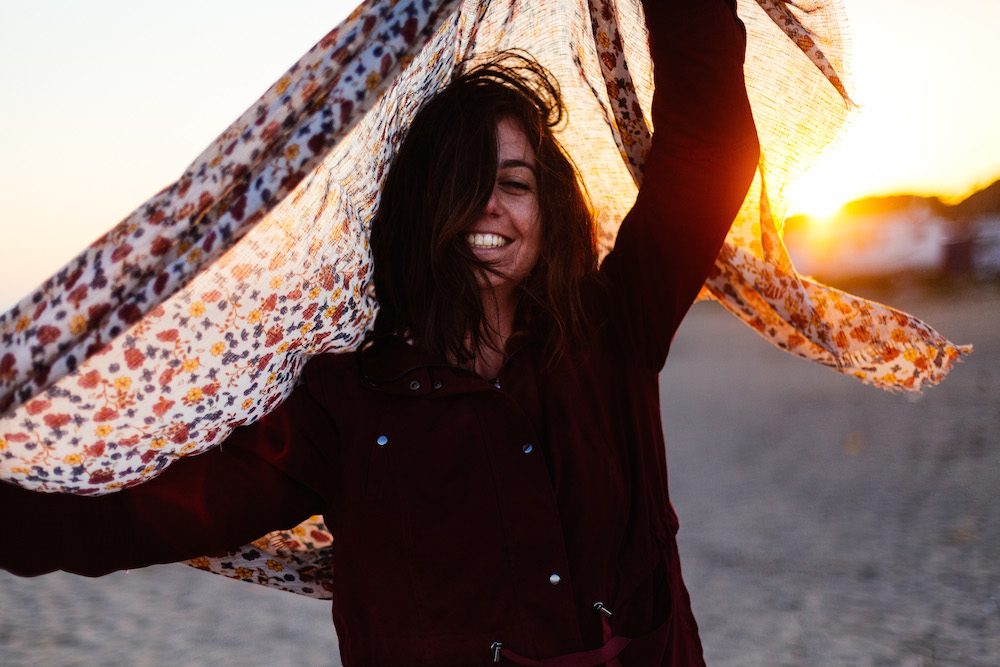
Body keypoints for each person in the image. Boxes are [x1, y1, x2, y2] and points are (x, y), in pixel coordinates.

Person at [0, 0, 759, 664]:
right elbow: (140, 517)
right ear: (417, 214)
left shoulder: (613, 329)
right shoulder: (348, 407)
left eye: (515, 183)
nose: (489, 206)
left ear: (549, 210)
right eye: (459, 183)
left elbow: (711, 145)